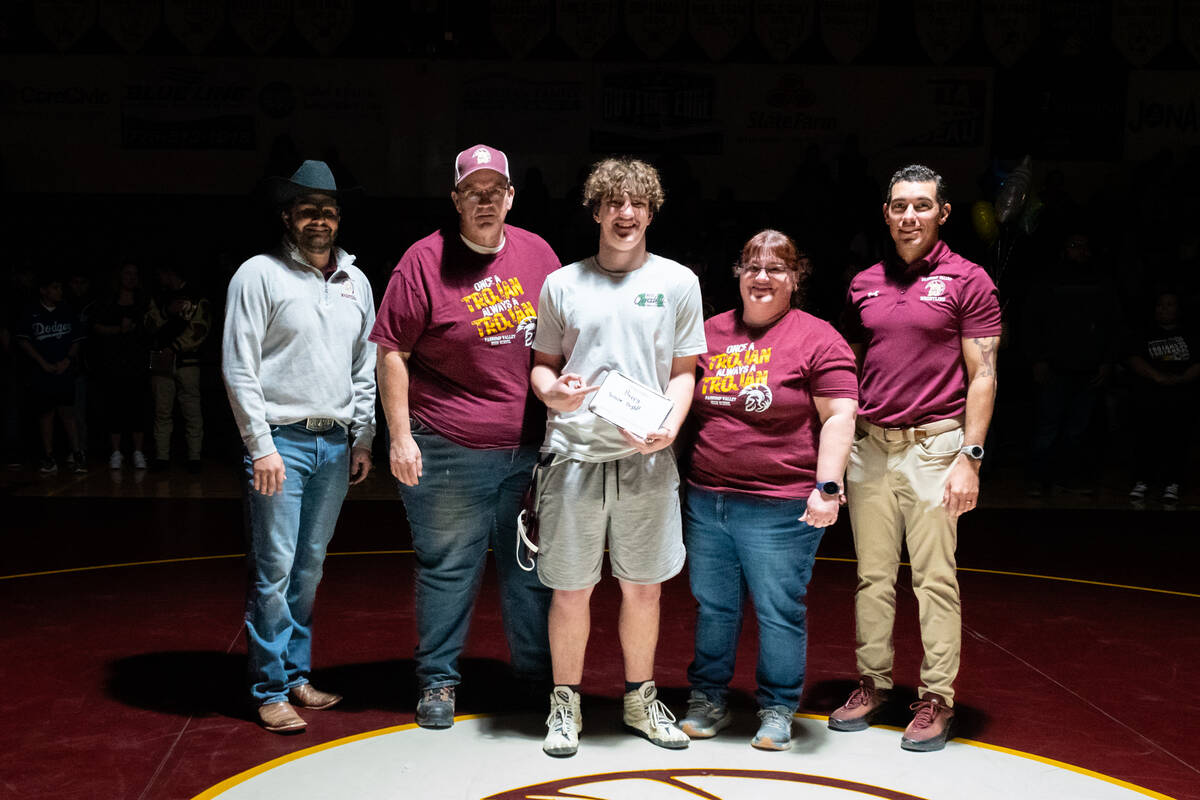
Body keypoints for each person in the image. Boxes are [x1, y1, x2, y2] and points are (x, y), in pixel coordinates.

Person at [370, 144, 558, 729]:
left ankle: (535, 679)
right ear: (455, 199)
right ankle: (439, 683)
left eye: (494, 191)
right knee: (449, 567)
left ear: (510, 197)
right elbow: (391, 352)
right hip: (448, 446)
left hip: (530, 447)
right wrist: (400, 437)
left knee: (532, 568)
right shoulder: (423, 261)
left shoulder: (539, 254)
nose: (485, 201)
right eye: (472, 192)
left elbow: (562, 340)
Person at [530, 157, 706, 757]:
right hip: (573, 457)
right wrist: (550, 392)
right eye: (613, 202)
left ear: (651, 211)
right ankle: (565, 703)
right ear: (597, 209)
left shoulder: (679, 282)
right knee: (571, 591)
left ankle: (638, 698)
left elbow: (685, 373)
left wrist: (669, 428)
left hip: (647, 460)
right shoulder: (562, 283)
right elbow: (543, 366)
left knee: (644, 590)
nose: (625, 213)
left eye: (636, 203)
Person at [830, 164, 1001, 752]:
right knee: (872, 576)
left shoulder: (968, 279)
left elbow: (984, 373)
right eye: (899, 205)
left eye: (922, 206)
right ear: (886, 212)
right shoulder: (864, 283)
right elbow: (844, 367)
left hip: (936, 447)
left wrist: (970, 458)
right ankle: (873, 685)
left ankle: (936, 699)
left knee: (934, 580)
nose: (909, 216)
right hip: (871, 446)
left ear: (942, 212)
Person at [677, 230, 857, 751]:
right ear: (738, 273)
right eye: (752, 265)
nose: (762, 276)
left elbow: (840, 416)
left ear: (796, 277)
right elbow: (677, 399)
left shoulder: (818, 338)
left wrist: (827, 487)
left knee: (779, 609)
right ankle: (708, 696)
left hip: (779, 507)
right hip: (707, 498)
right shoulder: (707, 333)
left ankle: (777, 706)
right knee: (713, 606)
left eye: (776, 267)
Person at [222, 160, 376, 734]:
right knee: (274, 568)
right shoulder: (257, 275)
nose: (319, 219)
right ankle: (268, 689)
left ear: (339, 219)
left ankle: (295, 674)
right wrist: (260, 446)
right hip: (280, 444)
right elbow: (240, 369)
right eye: (308, 209)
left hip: (335, 445)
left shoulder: (356, 282)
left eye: (329, 210)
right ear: (287, 214)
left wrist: (363, 435)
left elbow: (365, 367)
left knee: (308, 568)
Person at [1125, 290, 1198, 504]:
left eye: (1169, 305)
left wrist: (1182, 379)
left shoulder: (1190, 334)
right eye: (1160, 305)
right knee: (1146, 439)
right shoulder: (1144, 332)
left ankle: (1172, 482)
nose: (1164, 309)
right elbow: (1134, 358)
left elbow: (1197, 363)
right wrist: (1156, 376)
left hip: (1180, 398)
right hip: (1149, 397)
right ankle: (1143, 480)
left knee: (1177, 441)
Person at [16, 270, 87, 474]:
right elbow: (23, 340)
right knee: (45, 414)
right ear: (43, 291)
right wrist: (42, 363)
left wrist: (67, 360)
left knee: (68, 413)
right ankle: (48, 457)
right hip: (43, 372)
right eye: (55, 288)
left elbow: (76, 340)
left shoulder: (67, 310)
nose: (59, 291)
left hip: (63, 370)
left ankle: (77, 453)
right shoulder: (32, 311)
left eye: (60, 287)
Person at [146, 263, 212, 472]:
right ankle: (162, 458)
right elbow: (148, 324)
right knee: (162, 411)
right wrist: (167, 311)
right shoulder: (158, 297)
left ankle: (194, 458)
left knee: (192, 411)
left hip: (188, 363)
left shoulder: (197, 296)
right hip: (161, 363)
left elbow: (201, 328)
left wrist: (174, 348)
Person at [91, 261, 149, 470]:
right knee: (114, 407)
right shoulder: (108, 301)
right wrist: (119, 330)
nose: (131, 277)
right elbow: (96, 327)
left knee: (138, 408)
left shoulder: (143, 302)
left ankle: (138, 452)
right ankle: (116, 452)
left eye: (135, 273)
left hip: (138, 364)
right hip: (113, 363)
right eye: (127, 273)